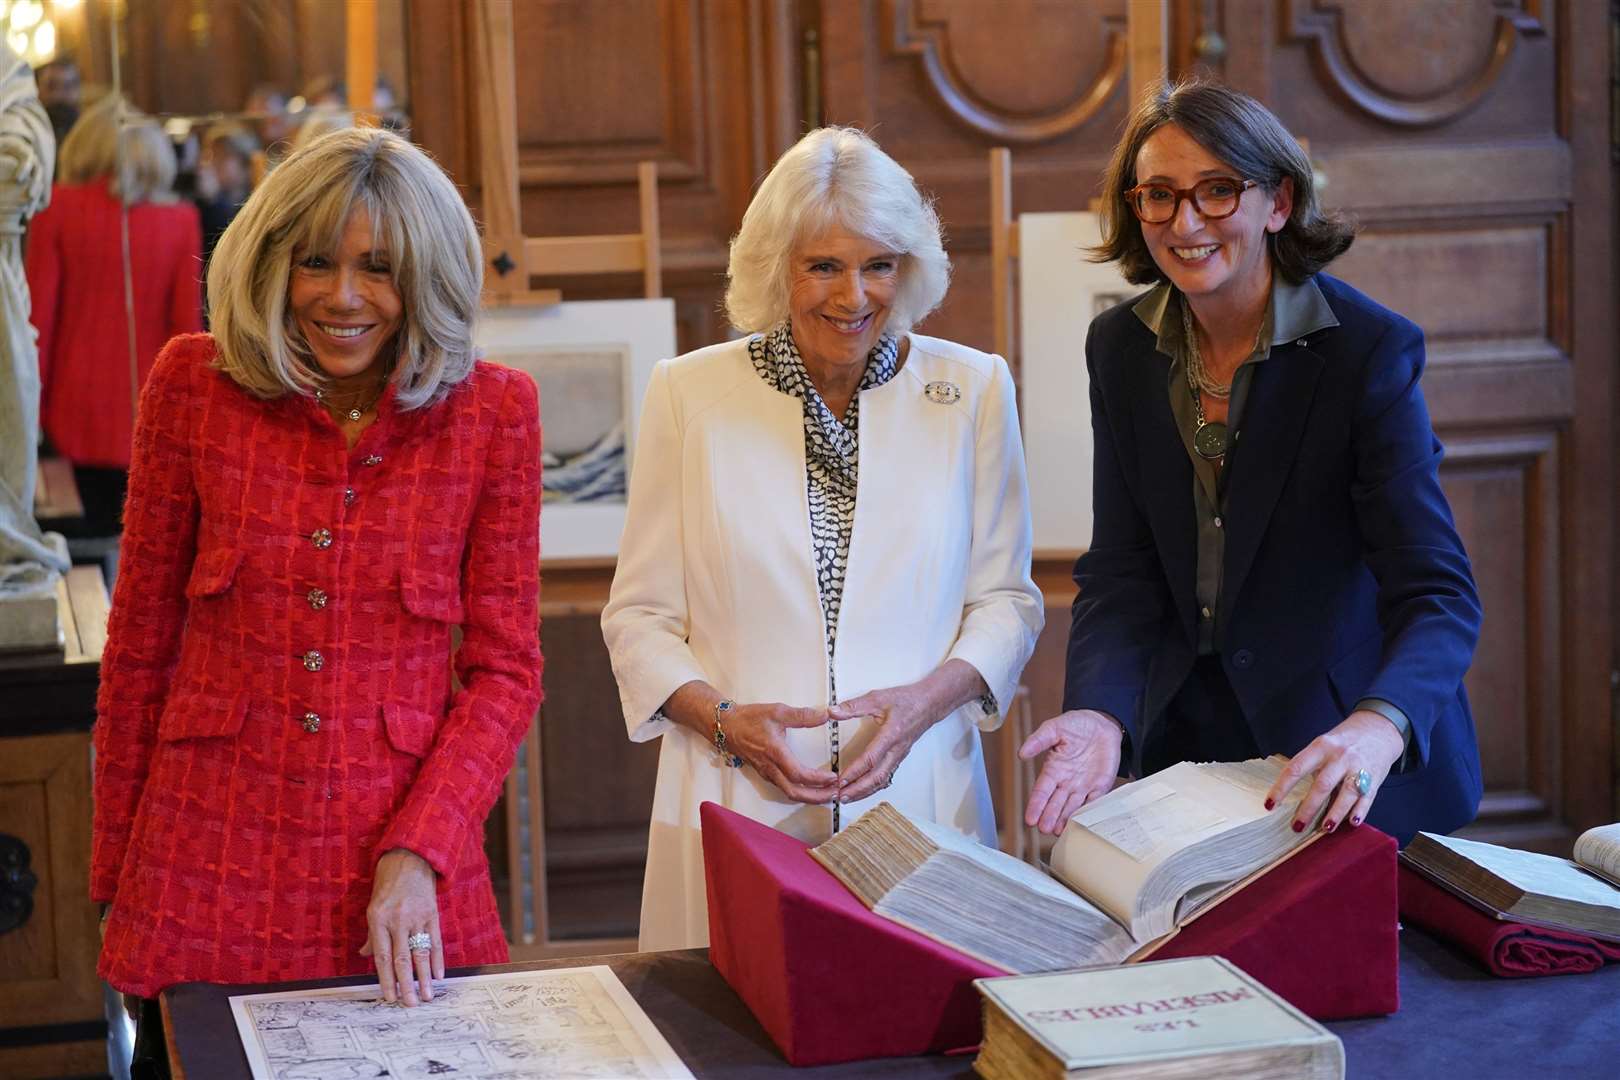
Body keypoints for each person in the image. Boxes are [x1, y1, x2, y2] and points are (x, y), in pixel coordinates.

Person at [91, 126, 543, 1069]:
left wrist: (421, 851)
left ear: (427, 279)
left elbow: (505, 672)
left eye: (380, 268)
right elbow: (139, 651)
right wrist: (116, 884)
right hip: (200, 873)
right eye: (315, 263)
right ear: (269, 263)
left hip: (404, 887)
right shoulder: (192, 386)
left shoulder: (494, 414)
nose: (343, 296)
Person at [602, 126, 1044, 952]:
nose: (855, 295)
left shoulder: (974, 388)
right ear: (777, 269)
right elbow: (639, 618)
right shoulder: (687, 393)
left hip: (917, 795)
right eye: (824, 266)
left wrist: (922, 706)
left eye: (879, 264)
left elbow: (1007, 602)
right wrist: (727, 723)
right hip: (734, 799)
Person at [1020, 79, 1482, 847]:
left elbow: (1439, 593)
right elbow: (1123, 569)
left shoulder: (1366, 353)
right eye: (1158, 195)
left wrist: (1377, 726)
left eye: (1218, 190)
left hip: (1344, 760)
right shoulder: (1122, 348)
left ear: (1278, 202)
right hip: (1190, 757)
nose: (1186, 221)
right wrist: (1100, 712)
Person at [26, 95, 203, 541]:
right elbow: (186, 330)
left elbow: (36, 324)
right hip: (151, 409)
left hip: (69, 408)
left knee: (75, 541)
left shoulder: (57, 210)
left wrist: (30, 412)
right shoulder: (181, 219)